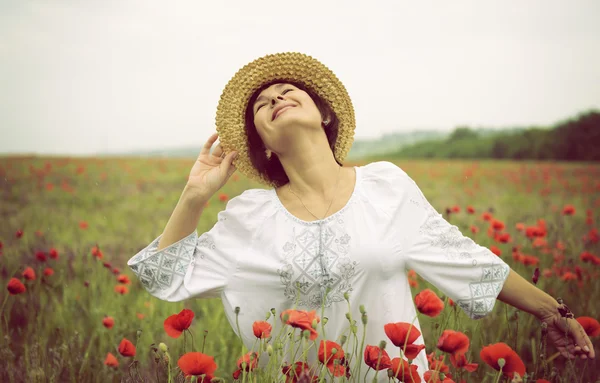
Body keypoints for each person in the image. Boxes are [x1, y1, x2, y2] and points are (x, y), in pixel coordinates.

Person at [127, 52, 595, 382]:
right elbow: (162, 276)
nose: (275, 97)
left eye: (288, 90)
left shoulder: (385, 186)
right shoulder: (248, 216)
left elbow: (467, 259)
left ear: (325, 114)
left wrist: (555, 311)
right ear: (263, 142)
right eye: (262, 103)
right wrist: (193, 196)